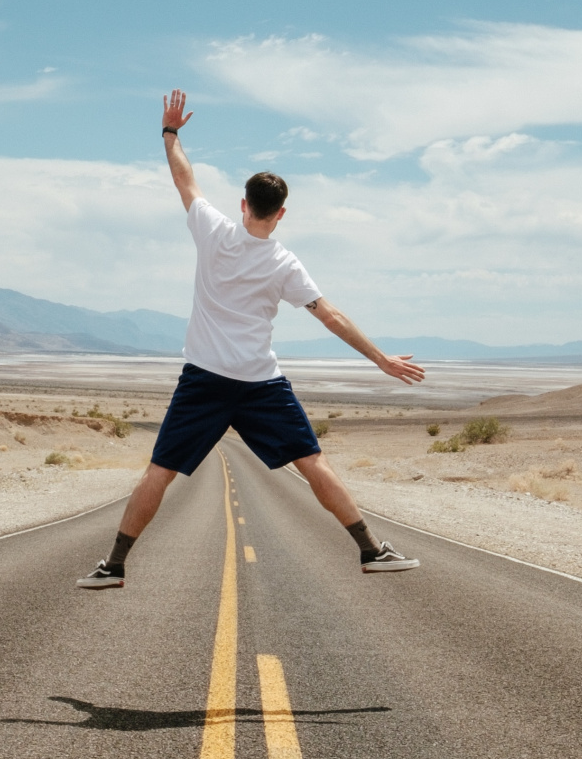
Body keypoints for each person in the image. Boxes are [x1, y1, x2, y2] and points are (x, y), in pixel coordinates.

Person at [77, 90, 424, 589]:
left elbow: (183, 177)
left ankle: (113, 565)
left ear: (243, 205)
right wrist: (380, 359)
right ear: (281, 213)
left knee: (160, 470)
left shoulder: (212, 230)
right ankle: (372, 550)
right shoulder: (285, 264)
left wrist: (170, 132)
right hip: (261, 384)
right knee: (313, 463)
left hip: (204, 379)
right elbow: (330, 316)